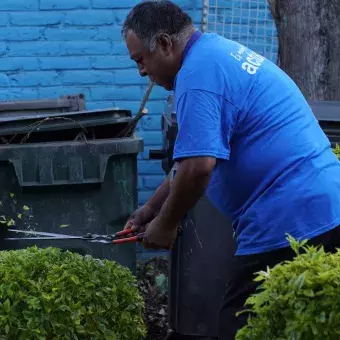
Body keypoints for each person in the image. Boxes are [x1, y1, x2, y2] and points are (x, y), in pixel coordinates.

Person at [122, 1, 340, 339]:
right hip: (318, 205)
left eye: (140, 60)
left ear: (164, 44)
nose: (141, 71)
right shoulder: (212, 54)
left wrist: (166, 224)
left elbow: (198, 168)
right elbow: (190, 158)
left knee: (239, 328)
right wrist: (152, 208)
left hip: (289, 217)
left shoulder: (198, 75)